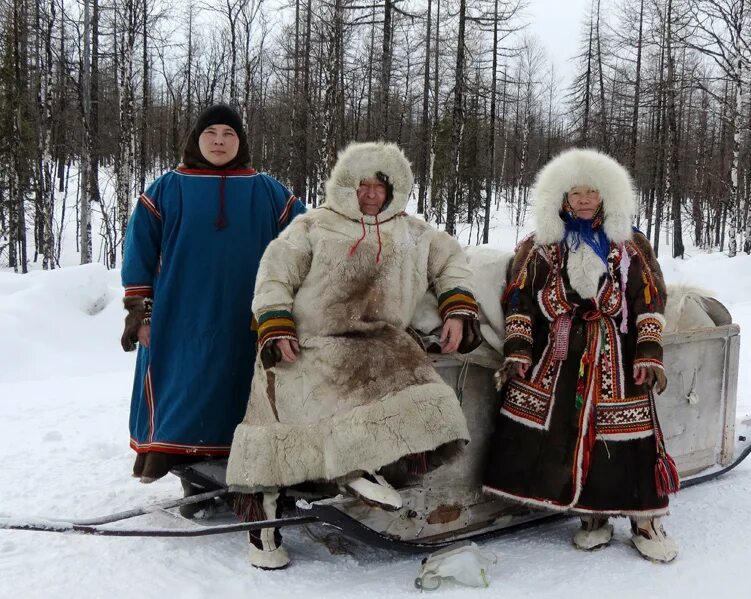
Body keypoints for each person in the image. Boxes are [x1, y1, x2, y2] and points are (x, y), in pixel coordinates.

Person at [225, 141, 482, 570]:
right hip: (310, 340)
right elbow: (274, 273)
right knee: (281, 423)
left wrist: (457, 306)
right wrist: (275, 323)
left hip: (382, 341)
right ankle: (268, 524)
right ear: (345, 186)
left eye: (379, 187)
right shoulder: (313, 227)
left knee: (431, 399)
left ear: (394, 189)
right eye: (361, 185)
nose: (369, 194)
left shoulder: (415, 233)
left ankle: (361, 467)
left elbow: (452, 262)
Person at [482, 148, 679, 563]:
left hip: (613, 352)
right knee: (564, 428)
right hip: (560, 351)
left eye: (593, 192)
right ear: (562, 198)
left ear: (607, 196)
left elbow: (649, 298)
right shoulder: (540, 246)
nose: (585, 200)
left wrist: (648, 352)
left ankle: (646, 520)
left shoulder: (630, 244)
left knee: (624, 433)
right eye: (576, 193)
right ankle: (592, 516)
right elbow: (519, 300)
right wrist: (519, 348)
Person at [120, 104, 305, 491]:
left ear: (240, 142)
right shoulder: (167, 189)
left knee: (241, 391)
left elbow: (306, 236)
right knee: (185, 392)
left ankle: (244, 477)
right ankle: (195, 482)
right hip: (180, 316)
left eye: (228, 134)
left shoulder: (266, 190)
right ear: (196, 139)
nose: (219, 141)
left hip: (248, 314)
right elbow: (139, 251)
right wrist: (142, 313)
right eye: (211, 134)